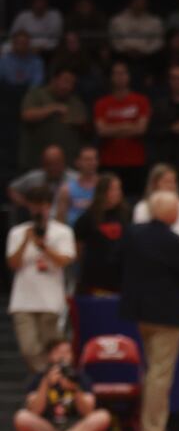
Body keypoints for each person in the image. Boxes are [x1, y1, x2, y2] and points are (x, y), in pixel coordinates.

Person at [119, 189, 179, 431]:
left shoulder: (133, 234)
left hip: (139, 312)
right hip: (166, 315)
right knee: (160, 374)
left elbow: (116, 262)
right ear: (170, 213)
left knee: (152, 370)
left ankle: (148, 424)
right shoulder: (174, 242)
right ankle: (152, 430)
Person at [7, 185, 76, 375]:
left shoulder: (63, 232)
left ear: (49, 206)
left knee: (53, 349)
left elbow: (65, 261)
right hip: (23, 301)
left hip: (50, 300)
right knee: (28, 349)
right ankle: (48, 380)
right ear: (29, 206)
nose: (39, 209)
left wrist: (43, 246)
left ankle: (47, 384)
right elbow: (13, 264)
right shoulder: (17, 232)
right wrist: (26, 241)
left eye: (43, 205)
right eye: (35, 204)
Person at [14, 339, 111, 431]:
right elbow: (35, 411)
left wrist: (75, 389)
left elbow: (87, 412)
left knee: (103, 416)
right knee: (21, 417)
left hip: (75, 425)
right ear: (50, 356)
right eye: (59, 352)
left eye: (67, 352)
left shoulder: (80, 377)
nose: (63, 356)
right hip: (47, 426)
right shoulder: (39, 378)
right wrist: (45, 384)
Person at [94, 62, 151, 197]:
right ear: (111, 77)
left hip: (135, 162)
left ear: (129, 76)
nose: (120, 77)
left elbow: (141, 129)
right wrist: (128, 125)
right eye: (116, 73)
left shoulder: (141, 101)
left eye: (123, 73)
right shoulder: (102, 103)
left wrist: (113, 128)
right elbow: (102, 131)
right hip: (110, 161)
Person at [18, 67, 88, 171]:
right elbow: (27, 115)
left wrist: (76, 121)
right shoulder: (37, 95)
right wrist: (53, 108)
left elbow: (84, 123)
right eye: (65, 81)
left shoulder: (76, 102)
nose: (68, 86)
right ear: (54, 80)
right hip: (36, 161)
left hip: (67, 164)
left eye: (72, 83)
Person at [73, 172, 127, 296]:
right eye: (113, 189)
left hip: (119, 277)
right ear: (102, 192)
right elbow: (78, 249)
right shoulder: (87, 218)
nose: (118, 193)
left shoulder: (125, 214)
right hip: (94, 278)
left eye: (119, 189)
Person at [133, 164, 179, 241]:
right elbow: (140, 233)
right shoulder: (142, 206)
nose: (171, 186)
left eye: (173, 182)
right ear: (154, 184)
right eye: (166, 182)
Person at [56, 146, 101, 226]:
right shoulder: (66, 189)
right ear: (78, 162)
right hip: (72, 230)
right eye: (87, 160)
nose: (91, 163)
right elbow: (60, 219)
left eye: (94, 159)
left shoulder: (104, 186)